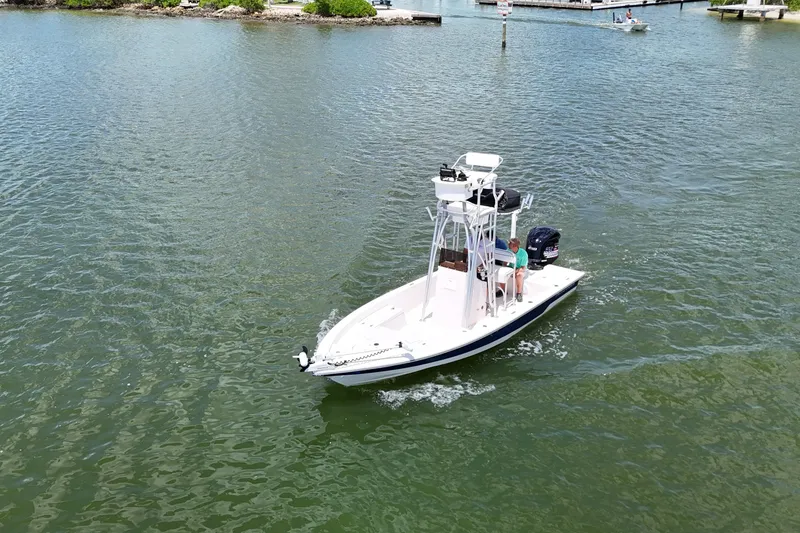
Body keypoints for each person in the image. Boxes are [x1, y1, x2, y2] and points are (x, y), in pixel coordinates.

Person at [508, 238, 527, 302]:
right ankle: (503, 291)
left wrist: (516, 271)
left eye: (510, 244)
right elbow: (504, 263)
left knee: (519, 275)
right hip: (510, 268)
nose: (508, 244)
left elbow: (522, 267)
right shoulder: (507, 251)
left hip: (519, 268)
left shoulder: (523, 253)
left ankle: (519, 293)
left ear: (515, 246)